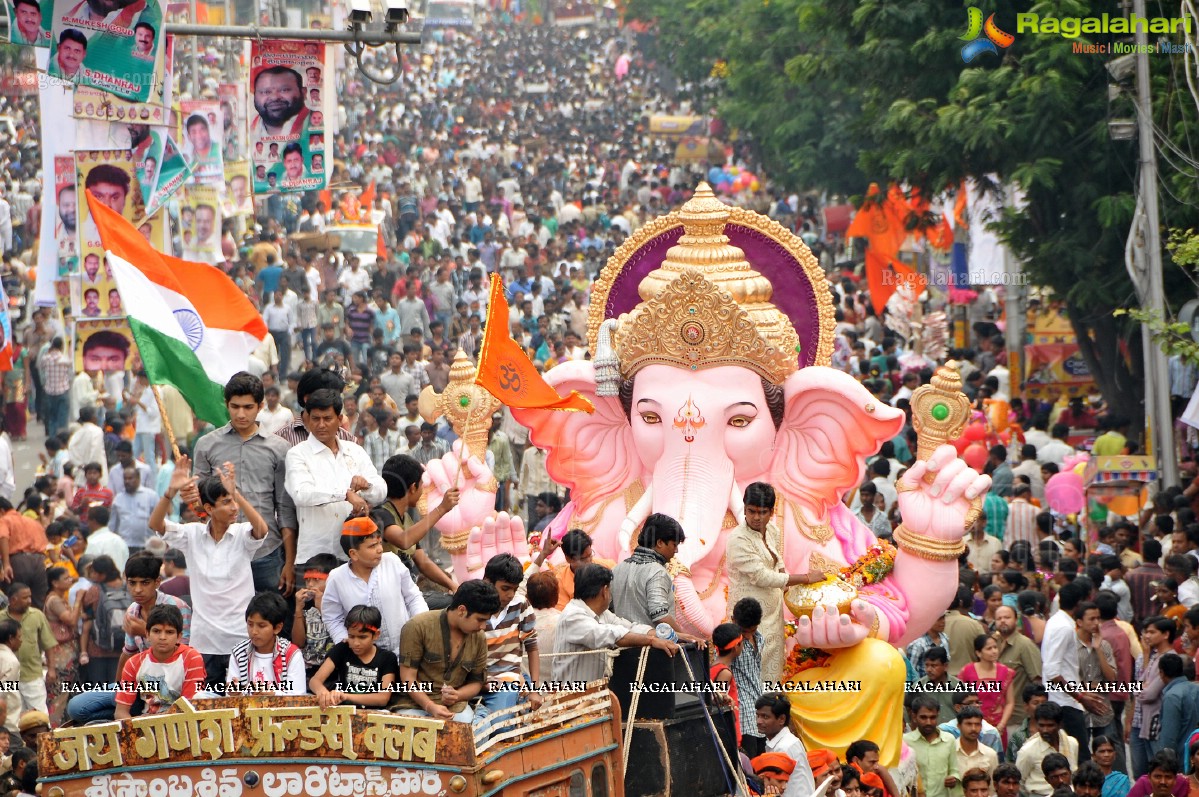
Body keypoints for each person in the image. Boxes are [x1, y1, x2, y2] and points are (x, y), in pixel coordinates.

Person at [150, 456, 268, 685]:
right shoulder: (192, 535)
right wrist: (170, 492)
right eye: (226, 502)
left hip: (241, 639)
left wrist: (237, 495)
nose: (233, 508)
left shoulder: (243, 534)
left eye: (233, 501)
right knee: (205, 708)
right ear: (208, 508)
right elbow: (156, 525)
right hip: (204, 643)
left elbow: (261, 529)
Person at [192, 372, 293, 596]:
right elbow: (200, 505)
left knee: (268, 621)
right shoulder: (207, 445)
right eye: (235, 406)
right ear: (226, 405)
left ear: (260, 406)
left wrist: (289, 560)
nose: (240, 414)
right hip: (221, 550)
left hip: (266, 551)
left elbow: (284, 507)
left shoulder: (279, 448)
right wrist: (188, 497)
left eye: (248, 407)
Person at [726, 482, 831, 682]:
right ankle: (751, 712)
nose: (757, 518)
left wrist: (793, 589)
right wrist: (806, 578)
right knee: (751, 668)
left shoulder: (772, 530)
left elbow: (778, 562)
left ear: (771, 511)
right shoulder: (738, 539)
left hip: (773, 612)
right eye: (752, 511)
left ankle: (770, 711)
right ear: (744, 508)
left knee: (773, 667)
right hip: (749, 616)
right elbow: (762, 576)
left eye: (763, 512)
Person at [284, 388, 386, 564]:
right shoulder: (297, 454)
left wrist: (367, 486)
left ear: (339, 419)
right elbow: (301, 494)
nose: (321, 425)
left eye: (327, 418)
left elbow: (381, 491)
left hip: (354, 555)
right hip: (314, 556)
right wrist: (346, 494)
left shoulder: (354, 450)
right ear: (307, 419)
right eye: (315, 419)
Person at [391, 580, 500, 722]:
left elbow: (476, 682)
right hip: (415, 704)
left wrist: (457, 695)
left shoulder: (479, 638)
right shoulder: (418, 626)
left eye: (486, 621)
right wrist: (430, 706)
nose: (483, 626)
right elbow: (408, 678)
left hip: (455, 708)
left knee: (470, 730)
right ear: (462, 610)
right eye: (480, 620)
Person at [551, 563, 679, 682]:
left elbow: (630, 627)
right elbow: (612, 634)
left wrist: (670, 635)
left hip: (593, 696)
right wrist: (651, 641)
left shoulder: (602, 613)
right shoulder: (573, 615)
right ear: (605, 591)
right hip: (570, 698)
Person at [321, 517, 427, 656]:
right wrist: (346, 642)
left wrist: (421, 627)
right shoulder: (336, 577)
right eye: (372, 546)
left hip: (405, 650)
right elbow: (332, 617)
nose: (379, 550)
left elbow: (413, 598)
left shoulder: (392, 562)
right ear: (353, 554)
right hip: (363, 658)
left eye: (379, 543)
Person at [475, 553, 543, 730]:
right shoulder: (472, 607)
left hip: (508, 678)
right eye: (505, 588)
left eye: (514, 589)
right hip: (475, 680)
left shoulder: (520, 605)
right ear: (488, 582)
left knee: (502, 727)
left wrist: (534, 690)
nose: (510, 595)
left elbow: (532, 648)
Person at [611, 513, 703, 642]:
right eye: (674, 544)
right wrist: (685, 637)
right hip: (652, 651)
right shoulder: (657, 572)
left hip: (621, 648)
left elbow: (608, 610)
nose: (676, 550)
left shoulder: (617, 569)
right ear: (660, 542)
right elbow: (660, 614)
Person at [113, 604, 204, 719]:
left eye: (169, 632)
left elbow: (190, 709)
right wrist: (135, 727)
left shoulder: (192, 658)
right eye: (156, 631)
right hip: (145, 725)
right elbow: (120, 711)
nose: (162, 637)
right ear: (147, 634)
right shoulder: (133, 663)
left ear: (179, 636)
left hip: (182, 725)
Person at [308, 604, 397, 708]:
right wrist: (324, 693)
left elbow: (383, 698)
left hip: (376, 714)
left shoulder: (387, 658)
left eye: (362, 637)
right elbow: (315, 681)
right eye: (351, 636)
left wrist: (346, 696)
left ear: (376, 635)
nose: (356, 643)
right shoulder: (343, 649)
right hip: (344, 711)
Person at [1042, 579, 1090, 761]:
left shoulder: (1058, 621)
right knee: (1079, 756)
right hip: (1065, 702)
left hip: (1065, 698)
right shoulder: (1063, 626)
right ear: (1079, 604)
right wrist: (1080, 697)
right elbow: (1052, 670)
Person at [226, 592, 305, 694]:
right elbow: (230, 698)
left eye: (261, 625)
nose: (254, 631)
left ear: (277, 628)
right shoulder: (239, 653)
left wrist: (272, 695)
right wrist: (234, 694)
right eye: (250, 624)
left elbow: (298, 699)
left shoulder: (291, 654)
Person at [0, 584, 54, 715]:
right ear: (13, 600)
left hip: (32, 674)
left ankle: (43, 736)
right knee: (14, 715)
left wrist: (51, 669)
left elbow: (48, 643)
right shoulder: (1, 618)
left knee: (40, 714)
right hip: (7, 676)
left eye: (30, 597)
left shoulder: (37, 615)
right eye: (25, 598)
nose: (29, 600)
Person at [958, 634, 1016, 745]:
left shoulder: (1006, 672)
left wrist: (1002, 724)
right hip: (974, 724)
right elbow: (960, 700)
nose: (994, 651)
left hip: (998, 725)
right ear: (978, 653)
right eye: (989, 648)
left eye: (995, 647)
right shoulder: (967, 671)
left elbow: (1010, 702)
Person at [755, 693, 816, 794]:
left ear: (781, 719)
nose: (759, 721)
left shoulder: (784, 747)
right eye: (757, 716)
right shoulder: (784, 742)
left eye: (765, 717)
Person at [1015, 702, 1079, 797]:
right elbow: (1019, 781)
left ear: (1059, 725)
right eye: (1041, 725)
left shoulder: (1072, 743)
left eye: (1050, 725)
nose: (1045, 730)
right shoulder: (1027, 751)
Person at [291, 553, 337, 680]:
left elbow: (341, 636)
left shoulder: (341, 608)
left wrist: (322, 608)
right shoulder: (308, 611)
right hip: (308, 669)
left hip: (334, 669)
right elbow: (298, 643)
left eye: (316, 579)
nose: (310, 585)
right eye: (307, 580)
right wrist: (298, 609)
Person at [905, 694, 961, 797]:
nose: (928, 722)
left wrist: (953, 778)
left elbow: (954, 770)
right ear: (914, 716)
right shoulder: (905, 741)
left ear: (938, 715)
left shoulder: (949, 740)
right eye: (923, 717)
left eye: (933, 717)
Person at [731, 597, 766, 750]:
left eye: (752, 630)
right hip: (743, 711)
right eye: (744, 631)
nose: (747, 635)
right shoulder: (730, 643)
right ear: (733, 621)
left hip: (758, 706)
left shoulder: (759, 639)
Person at [1155, 652, 1199, 758]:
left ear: (1161, 673)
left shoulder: (1172, 696)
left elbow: (1169, 738)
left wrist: (1165, 762)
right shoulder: (1196, 689)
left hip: (1181, 758)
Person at [110, 468, 158, 552]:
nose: (127, 481)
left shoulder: (151, 496)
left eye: (130, 478)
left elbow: (161, 519)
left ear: (138, 479)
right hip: (125, 546)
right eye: (125, 478)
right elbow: (113, 524)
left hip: (147, 546)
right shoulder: (118, 499)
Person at [710, 623, 744, 741]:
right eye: (742, 642)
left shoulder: (712, 667)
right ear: (736, 647)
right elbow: (718, 699)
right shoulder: (724, 673)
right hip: (727, 733)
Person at [955, 706, 999, 785]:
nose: (973, 729)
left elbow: (992, 788)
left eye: (977, 724)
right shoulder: (948, 751)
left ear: (981, 726)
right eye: (969, 724)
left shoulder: (990, 755)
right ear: (959, 726)